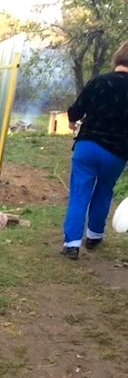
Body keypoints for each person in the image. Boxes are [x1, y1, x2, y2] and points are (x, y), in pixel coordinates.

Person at [60, 40, 128, 260]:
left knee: (80, 192)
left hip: (88, 146)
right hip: (117, 152)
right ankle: (95, 235)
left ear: (117, 58)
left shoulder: (99, 81)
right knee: (104, 191)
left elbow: (76, 110)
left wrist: (72, 121)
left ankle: (71, 244)